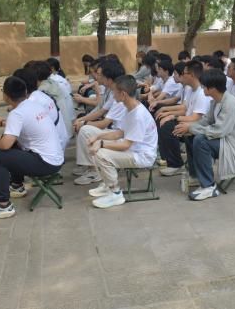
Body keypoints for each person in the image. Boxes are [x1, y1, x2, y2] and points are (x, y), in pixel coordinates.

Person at [0, 76, 63, 221]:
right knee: (13, 144)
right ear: (25, 92)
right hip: (56, 159)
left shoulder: (17, 113)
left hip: (45, 163)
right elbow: (16, 133)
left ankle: (3, 205)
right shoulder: (34, 105)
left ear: (6, 96)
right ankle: (16, 185)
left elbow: (5, 144)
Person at [178, 69, 235, 201]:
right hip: (225, 141)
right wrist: (189, 128)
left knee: (200, 141)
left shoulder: (230, 103)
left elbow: (219, 130)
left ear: (212, 88)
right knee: (190, 135)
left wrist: (191, 128)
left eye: (204, 86)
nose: (202, 88)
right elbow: (206, 121)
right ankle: (196, 176)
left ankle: (208, 186)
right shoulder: (215, 101)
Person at [87, 75, 158, 209]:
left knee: (101, 154)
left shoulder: (138, 115)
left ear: (123, 94)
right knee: (95, 148)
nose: (113, 95)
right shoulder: (129, 108)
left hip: (142, 156)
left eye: (114, 91)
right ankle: (108, 186)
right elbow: (119, 133)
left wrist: (101, 143)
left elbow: (125, 145)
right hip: (133, 150)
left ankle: (115, 193)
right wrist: (97, 137)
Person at [157, 60, 211, 176]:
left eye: (184, 73)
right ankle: (168, 159)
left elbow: (196, 118)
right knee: (162, 119)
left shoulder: (201, 93)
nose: (182, 75)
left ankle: (176, 164)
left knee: (168, 126)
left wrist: (173, 117)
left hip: (199, 125)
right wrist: (167, 112)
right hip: (190, 121)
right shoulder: (190, 89)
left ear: (192, 75)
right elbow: (184, 108)